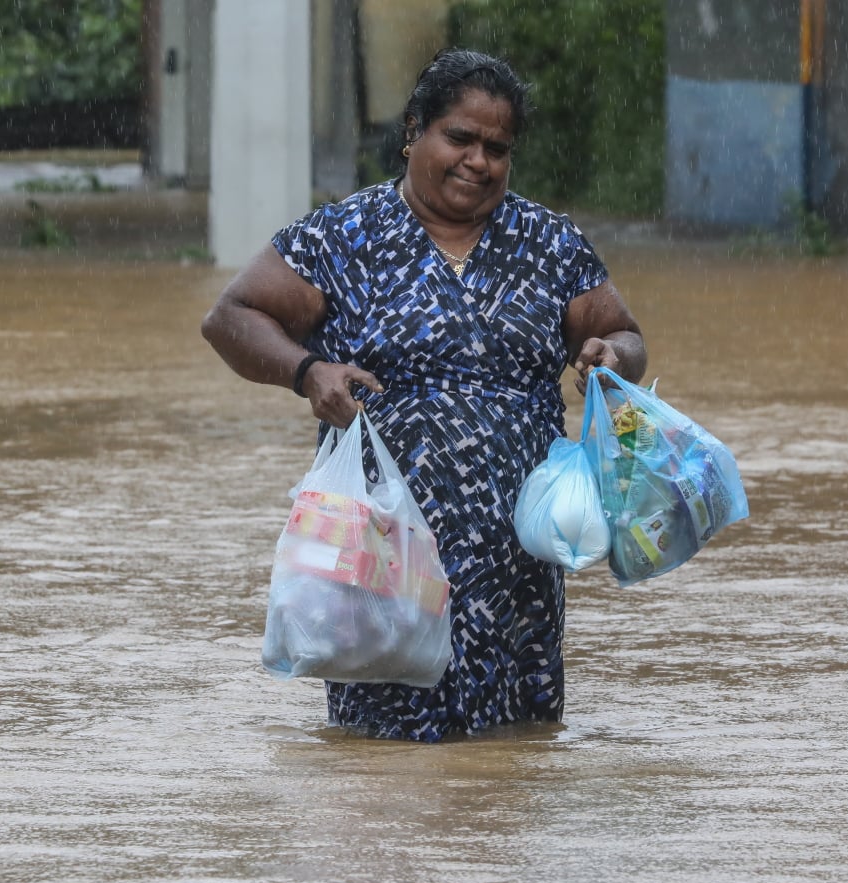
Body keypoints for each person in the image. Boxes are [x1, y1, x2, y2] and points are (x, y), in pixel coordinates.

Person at [201, 48, 647, 742]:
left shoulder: (550, 244)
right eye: (460, 138)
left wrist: (611, 357)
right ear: (415, 130)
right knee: (383, 779)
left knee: (509, 768)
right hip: (382, 564)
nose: (478, 161)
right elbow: (230, 317)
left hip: (516, 577)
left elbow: (621, 333)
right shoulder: (343, 237)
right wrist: (307, 370)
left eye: (497, 148)